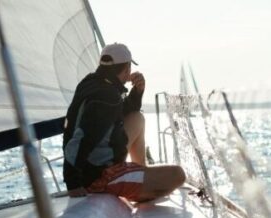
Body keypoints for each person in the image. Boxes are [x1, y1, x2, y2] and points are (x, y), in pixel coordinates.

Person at [63, 43, 185, 202]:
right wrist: (73, 184)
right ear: (127, 68)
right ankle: (142, 188)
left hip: (96, 163)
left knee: (137, 118)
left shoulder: (92, 83)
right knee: (178, 175)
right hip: (100, 175)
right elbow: (80, 141)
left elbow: (120, 111)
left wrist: (137, 91)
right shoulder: (106, 97)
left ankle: (141, 172)